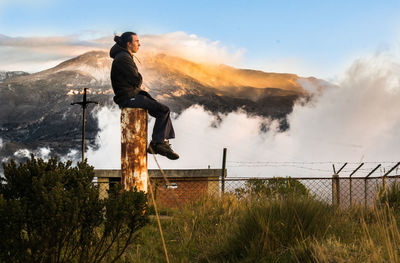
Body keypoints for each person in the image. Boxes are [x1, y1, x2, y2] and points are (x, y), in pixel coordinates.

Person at [109, 31, 179, 160]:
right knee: (163, 110)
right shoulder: (123, 58)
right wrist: (139, 77)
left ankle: (159, 142)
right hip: (129, 98)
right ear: (128, 43)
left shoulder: (123, 56)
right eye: (136, 41)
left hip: (129, 96)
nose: (139, 44)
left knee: (162, 110)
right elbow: (136, 79)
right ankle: (158, 143)